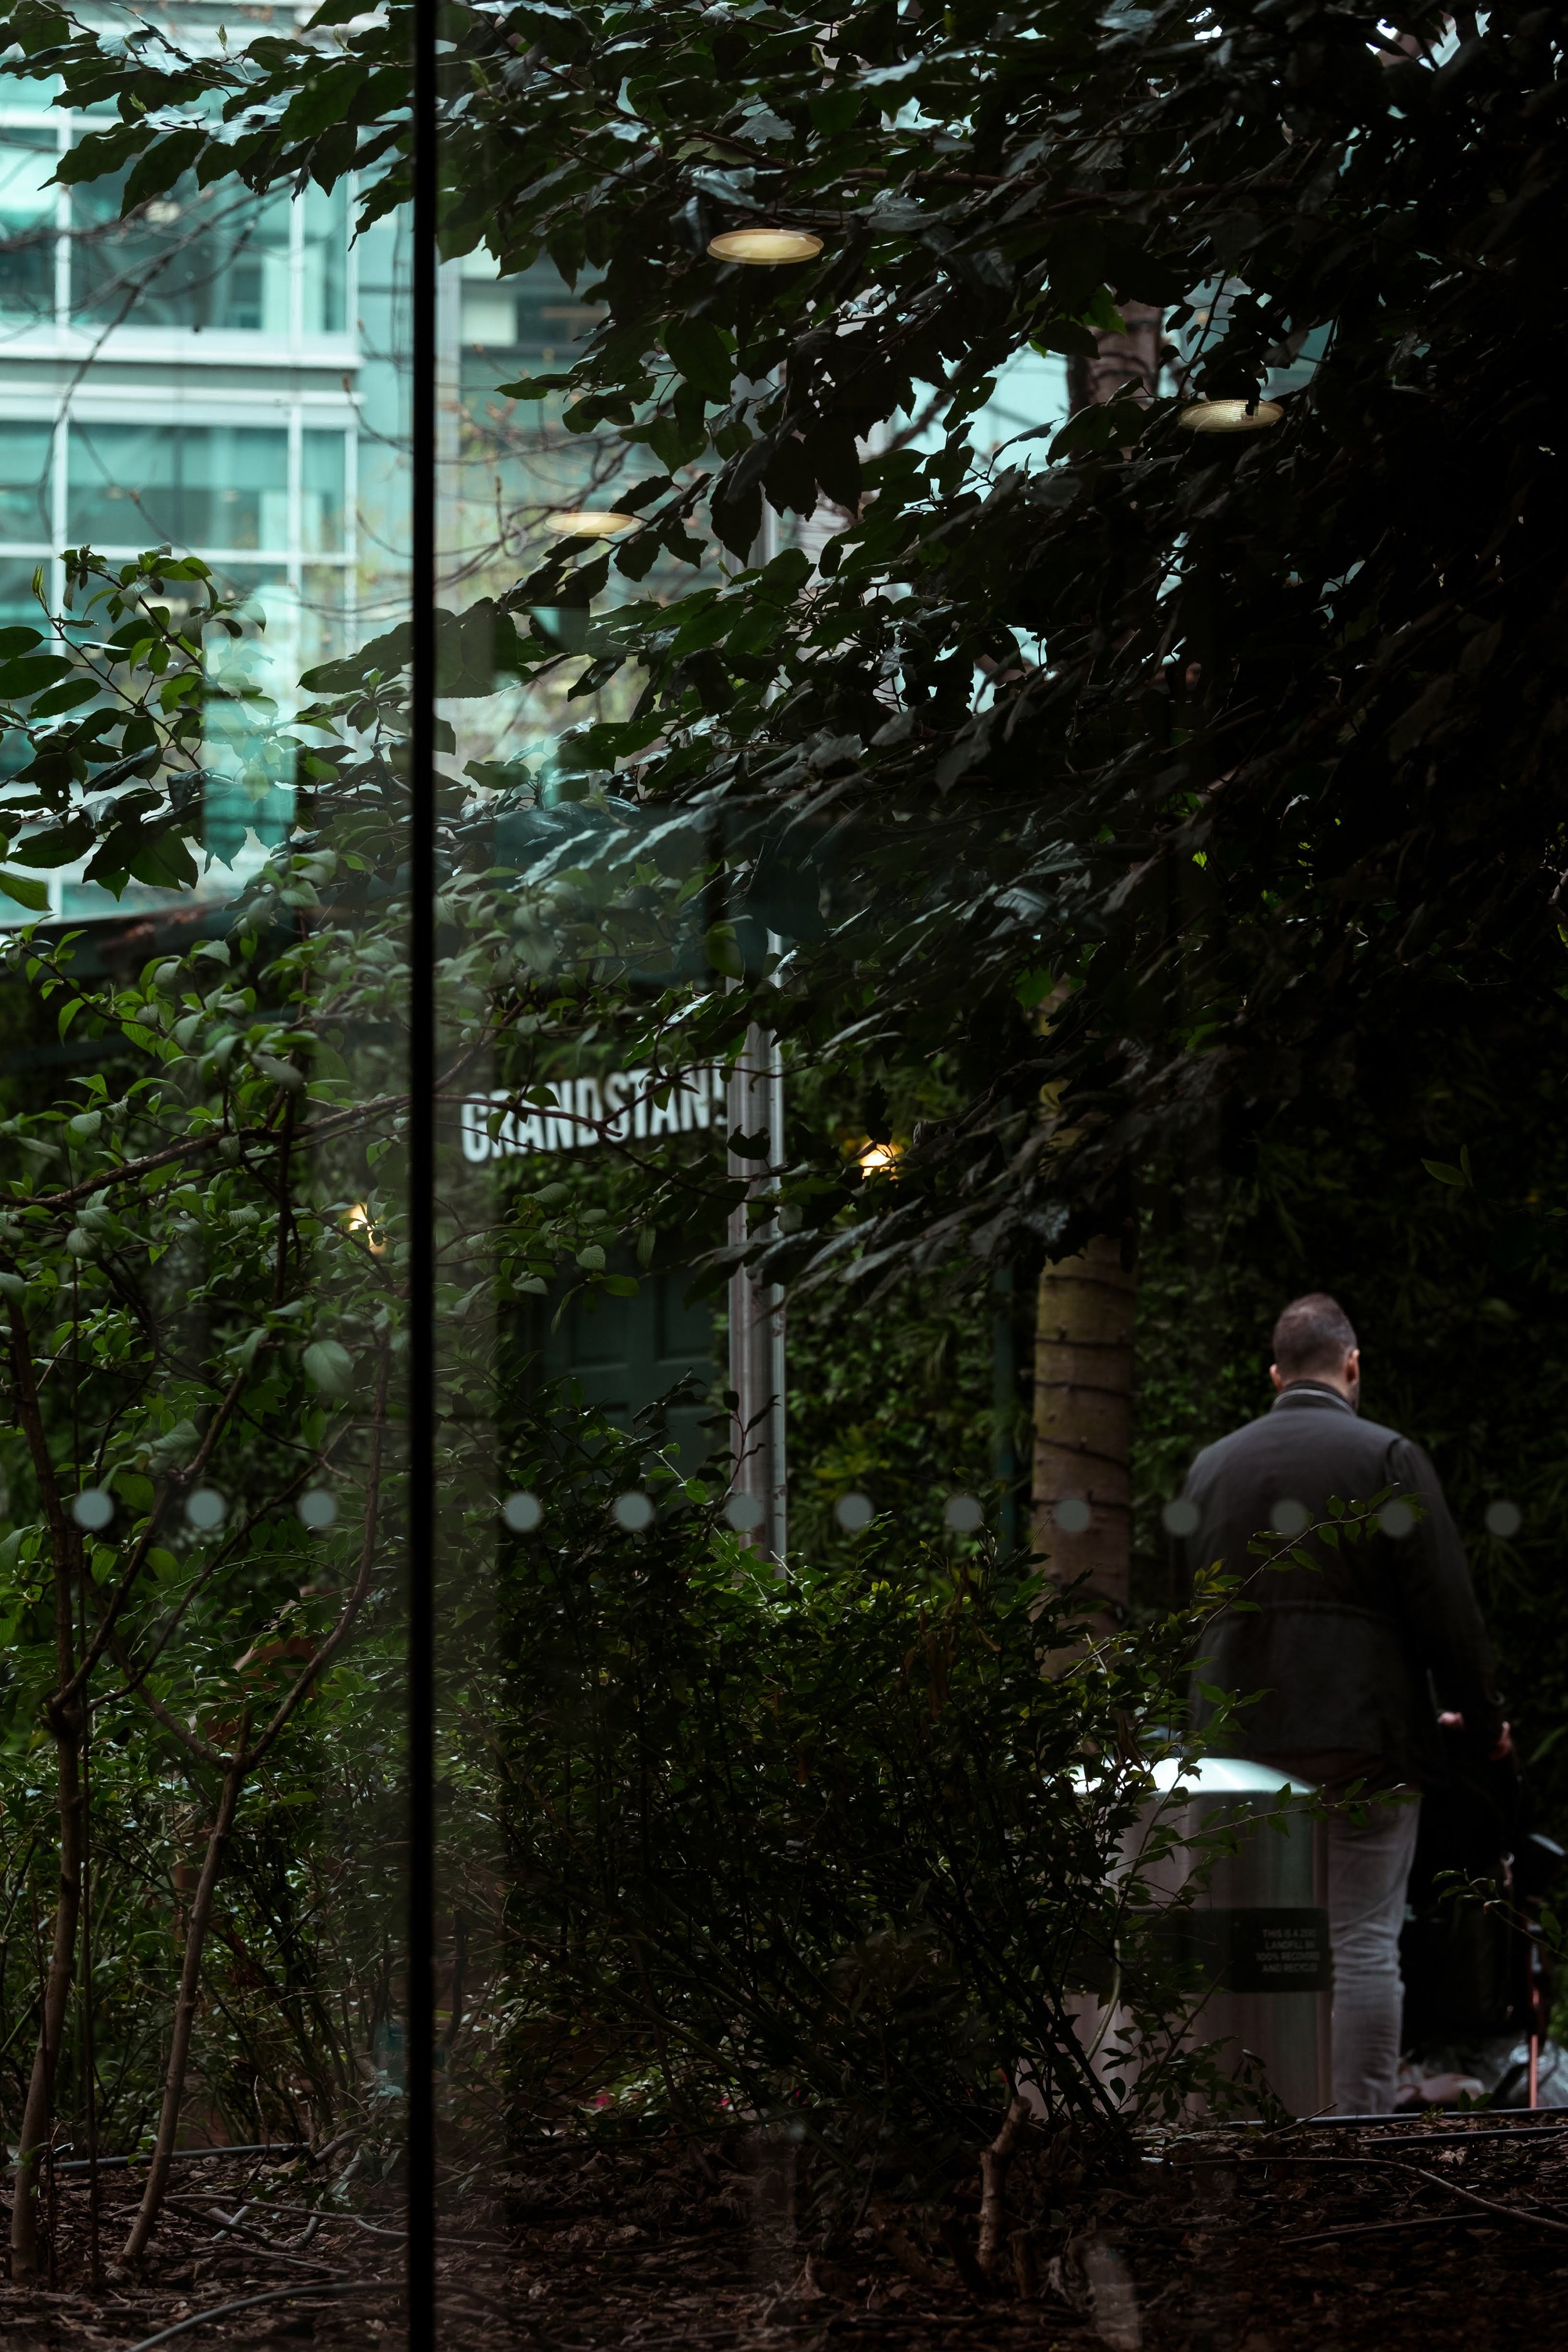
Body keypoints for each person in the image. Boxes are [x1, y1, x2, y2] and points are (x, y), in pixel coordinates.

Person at [1179, 1291, 1508, 2116]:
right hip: (1362, 1740)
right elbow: (1446, 1612)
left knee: (1256, 1945)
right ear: (1352, 1365)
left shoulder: (1211, 1467)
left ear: (1274, 1373)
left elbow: (1187, 1616)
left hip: (1237, 1750)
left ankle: (1255, 2125)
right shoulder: (1387, 1457)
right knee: (1362, 1943)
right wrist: (1481, 1724)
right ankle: (1356, 2138)